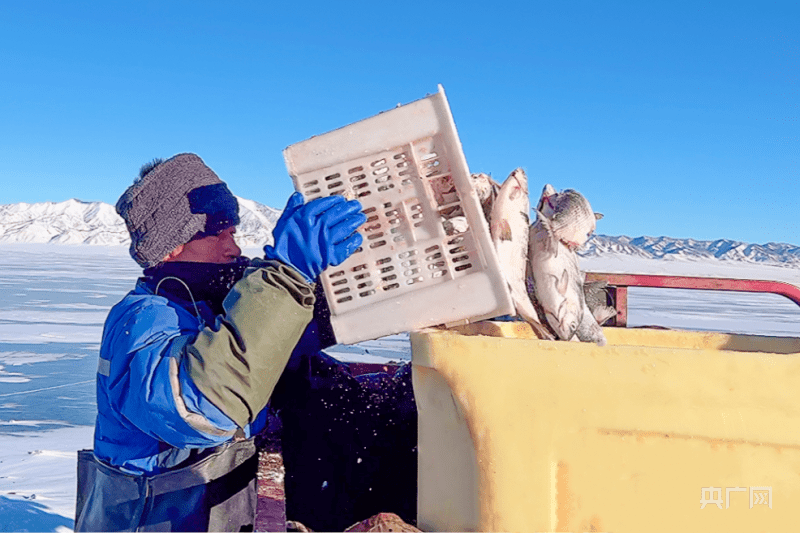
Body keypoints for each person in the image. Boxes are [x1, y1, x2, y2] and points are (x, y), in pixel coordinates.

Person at [75, 153, 417, 532]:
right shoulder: (142, 320)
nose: (234, 248)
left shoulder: (209, 304)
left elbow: (290, 335)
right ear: (170, 246)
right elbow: (204, 405)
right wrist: (288, 274)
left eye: (234, 232)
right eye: (218, 233)